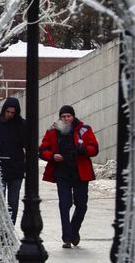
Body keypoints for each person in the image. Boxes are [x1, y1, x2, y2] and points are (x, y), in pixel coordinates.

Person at [39, 105, 99, 248]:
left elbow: (94, 149)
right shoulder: (53, 131)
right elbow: (42, 150)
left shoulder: (84, 129)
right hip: (62, 173)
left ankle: (73, 231)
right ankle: (67, 237)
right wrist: (53, 156)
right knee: (64, 204)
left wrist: (82, 149)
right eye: (63, 117)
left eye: (68, 116)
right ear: (60, 117)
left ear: (73, 116)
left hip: (80, 173)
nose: (66, 119)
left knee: (82, 205)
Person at [0, 97, 26, 226]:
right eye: (8, 112)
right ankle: (1, 227)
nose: (10, 115)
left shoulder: (22, 124)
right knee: (0, 201)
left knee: (13, 201)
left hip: (16, 167)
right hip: (0, 166)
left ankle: (10, 227)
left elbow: (27, 143)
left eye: (13, 113)